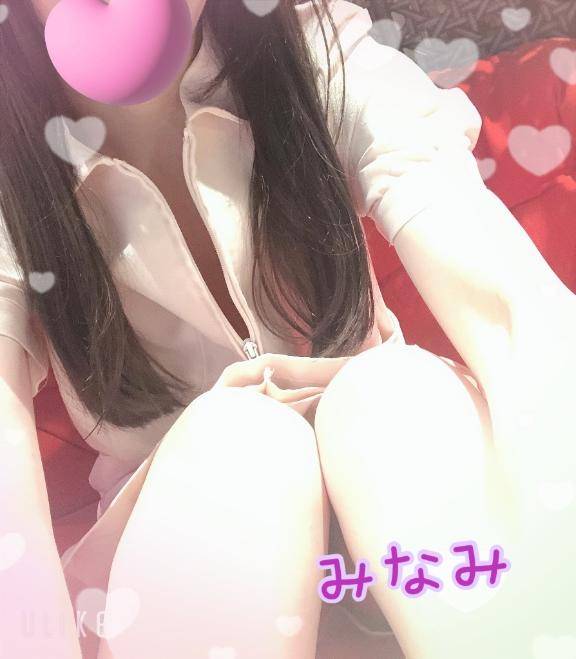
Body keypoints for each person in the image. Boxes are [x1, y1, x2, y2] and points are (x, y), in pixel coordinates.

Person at [1, 1, 575, 657]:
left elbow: (510, 304)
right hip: (185, 563)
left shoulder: (316, 51)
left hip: (404, 530)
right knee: (243, 445)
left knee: (395, 395)